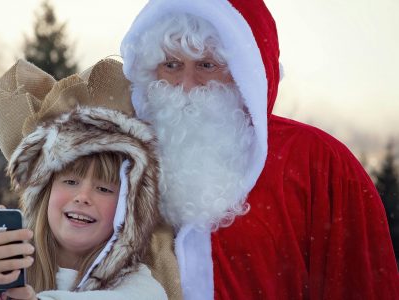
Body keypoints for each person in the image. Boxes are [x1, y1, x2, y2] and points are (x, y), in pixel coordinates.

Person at [120, 0, 399, 299]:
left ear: (244, 73)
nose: (187, 85)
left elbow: (363, 286)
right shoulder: (118, 159)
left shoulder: (318, 161)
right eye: (172, 65)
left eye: (206, 65)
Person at [0, 58, 167, 300]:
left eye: (104, 188)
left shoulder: (139, 286)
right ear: (45, 191)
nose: (83, 197)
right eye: (70, 182)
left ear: (127, 210)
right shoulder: (9, 263)